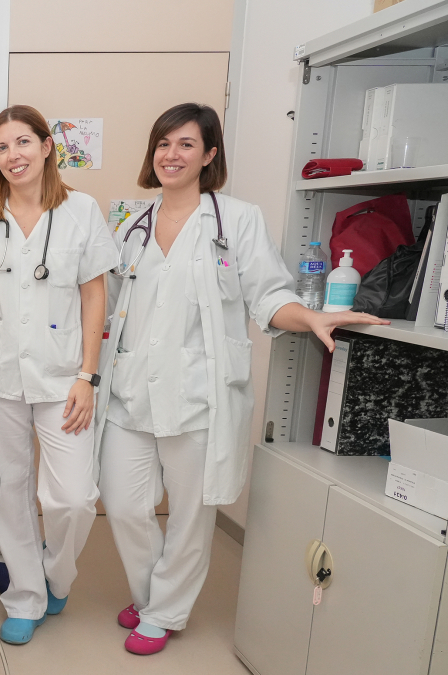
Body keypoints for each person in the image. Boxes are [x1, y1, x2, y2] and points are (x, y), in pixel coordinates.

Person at [95, 103, 387, 655]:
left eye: (185, 144)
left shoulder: (238, 219)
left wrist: (311, 317)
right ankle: (152, 592)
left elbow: (270, 295)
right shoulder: (131, 224)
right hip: (129, 392)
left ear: (209, 155)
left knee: (189, 514)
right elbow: (106, 301)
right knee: (125, 504)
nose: (171, 155)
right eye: (163, 143)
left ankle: (163, 612)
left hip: (201, 396)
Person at [0, 104, 119, 645]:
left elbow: (95, 292)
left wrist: (88, 376)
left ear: (48, 146)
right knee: (9, 489)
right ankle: (24, 595)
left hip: (63, 374)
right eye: (2, 148)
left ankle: (56, 575)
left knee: (72, 497)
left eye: (23, 143)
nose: (12, 156)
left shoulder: (82, 210)